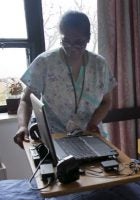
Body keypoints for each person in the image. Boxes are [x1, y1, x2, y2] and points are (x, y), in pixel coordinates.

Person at [14, 10, 117, 149]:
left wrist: (93, 123)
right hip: (55, 139)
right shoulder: (45, 63)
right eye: (66, 41)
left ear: (88, 38)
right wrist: (22, 126)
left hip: (91, 137)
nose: (72, 48)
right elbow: (26, 100)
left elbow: (106, 102)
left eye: (78, 42)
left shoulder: (100, 65)